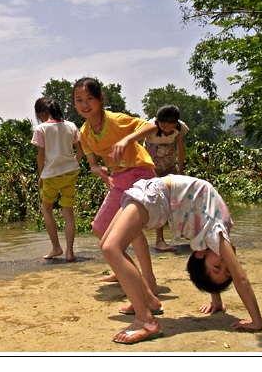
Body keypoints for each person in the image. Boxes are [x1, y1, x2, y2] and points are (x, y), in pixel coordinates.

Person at [100, 174, 262, 344]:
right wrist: (256, 320)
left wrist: (219, 299)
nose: (225, 263)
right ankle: (149, 299)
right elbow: (241, 278)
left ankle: (145, 321)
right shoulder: (218, 237)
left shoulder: (213, 238)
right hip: (155, 192)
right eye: (226, 269)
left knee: (111, 248)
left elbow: (217, 270)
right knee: (107, 244)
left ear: (199, 254)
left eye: (218, 267)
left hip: (157, 196)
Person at [72, 77, 157, 289]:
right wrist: (98, 171)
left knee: (133, 230)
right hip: (119, 180)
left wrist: (128, 139)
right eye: (79, 100)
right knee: (100, 227)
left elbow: (152, 126)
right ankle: (127, 272)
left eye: (89, 99)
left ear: (100, 99)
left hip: (140, 174)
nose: (84, 105)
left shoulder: (117, 121)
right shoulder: (84, 133)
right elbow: (92, 163)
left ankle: (148, 282)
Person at [31, 97, 84, 262]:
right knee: (68, 213)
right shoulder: (71, 126)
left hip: (51, 175)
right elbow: (81, 151)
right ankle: (70, 252)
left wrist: (41, 175)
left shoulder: (41, 129)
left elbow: (41, 157)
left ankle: (56, 247)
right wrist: (72, 164)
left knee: (46, 209)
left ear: (41, 113)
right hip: (70, 174)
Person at [143, 104, 189, 252]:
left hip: (169, 166)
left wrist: (181, 170)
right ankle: (159, 241)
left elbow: (180, 148)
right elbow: (138, 148)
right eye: (163, 126)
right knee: (159, 203)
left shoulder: (180, 128)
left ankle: (184, 231)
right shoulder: (149, 127)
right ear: (157, 121)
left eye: (170, 127)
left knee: (179, 198)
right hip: (152, 168)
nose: (167, 130)